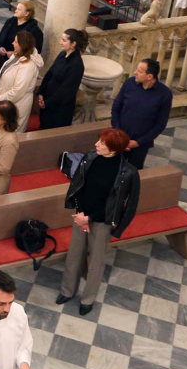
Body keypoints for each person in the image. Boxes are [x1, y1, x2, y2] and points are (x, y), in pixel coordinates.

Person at [59, 128, 140, 316]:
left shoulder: (128, 173)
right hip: (81, 216)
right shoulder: (90, 158)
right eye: (99, 141)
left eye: (102, 143)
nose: (96, 144)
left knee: (96, 261)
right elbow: (78, 185)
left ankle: (87, 299)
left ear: (113, 150)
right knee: (74, 254)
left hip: (103, 221)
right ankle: (67, 291)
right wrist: (80, 214)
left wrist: (91, 219)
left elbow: (126, 204)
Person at [110, 58, 173, 169]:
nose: (135, 72)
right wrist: (118, 134)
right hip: (119, 139)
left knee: (132, 174)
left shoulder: (165, 94)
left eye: (139, 71)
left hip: (140, 145)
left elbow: (160, 124)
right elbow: (116, 108)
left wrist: (137, 143)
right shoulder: (129, 83)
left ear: (149, 76)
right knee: (113, 169)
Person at [37, 28, 87, 129]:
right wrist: (41, 92)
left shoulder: (76, 65)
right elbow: (49, 74)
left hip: (59, 109)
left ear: (73, 44)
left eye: (64, 40)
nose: (61, 42)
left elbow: (66, 91)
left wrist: (48, 102)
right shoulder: (62, 54)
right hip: (48, 101)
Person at [0, 31, 44, 131]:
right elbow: (4, 75)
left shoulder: (28, 66)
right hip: (5, 102)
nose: (13, 43)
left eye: (16, 42)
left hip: (17, 105)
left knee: (10, 136)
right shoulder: (16, 56)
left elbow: (18, 91)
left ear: (22, 45)